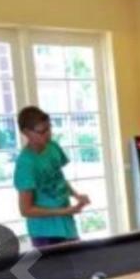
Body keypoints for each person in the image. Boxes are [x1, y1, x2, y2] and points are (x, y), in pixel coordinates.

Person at [13, 106, 90, 248]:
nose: (48, 134)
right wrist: (63, 211)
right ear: (26, 132)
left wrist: (76, 195)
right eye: (42, 131)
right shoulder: (25, 164)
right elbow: (26, 210)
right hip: (45, 233)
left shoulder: (53, 147)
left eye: (49, 128)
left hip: (67, 226)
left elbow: (58, 178)